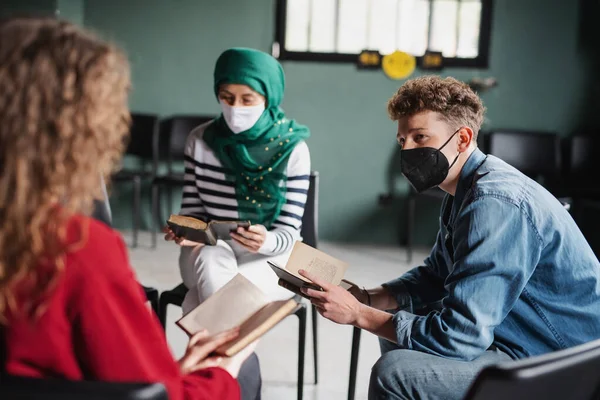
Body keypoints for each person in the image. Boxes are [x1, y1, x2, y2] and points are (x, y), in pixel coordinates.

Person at [298, 76, 600, 400]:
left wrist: (359, 315)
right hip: (521, 335)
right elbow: (434, 275)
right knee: (402, 331)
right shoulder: (463, 192)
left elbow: (461, 336)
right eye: (402, 141)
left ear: (462, 138)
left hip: (559, 359)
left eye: (420, 137)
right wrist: (368, 298)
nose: (408, 150)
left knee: (394, 374)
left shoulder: (494, 203)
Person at [0, 17, 253, 400]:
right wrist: (221, 374)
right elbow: (151, 395)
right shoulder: (76, 248)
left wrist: (171, 374)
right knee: (243, 377)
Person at [164, 48, 311, 313]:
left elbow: (289, 231)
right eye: (227, 97)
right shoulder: (199, 141)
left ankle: (217, 351)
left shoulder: (292, 148)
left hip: (273, 255)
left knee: (201, 300)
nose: (235, 108)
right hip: (210, 249)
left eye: (248, 99)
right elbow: (193, 210)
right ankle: (237, 354)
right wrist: (185, 230)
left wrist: (265, 241)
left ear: (268, 97)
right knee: (213, 263)